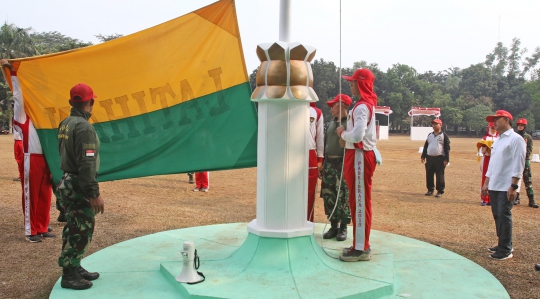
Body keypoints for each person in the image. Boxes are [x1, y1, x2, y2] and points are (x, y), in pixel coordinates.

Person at [57, 82, 105, 289]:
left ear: (71, 102)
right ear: (91, 102)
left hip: (67, 180)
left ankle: (74, 266)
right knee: (82, 229)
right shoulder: (84, 127)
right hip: (78, 183)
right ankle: (69, 274)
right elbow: (87, 162)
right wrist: (93, 193)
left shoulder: (65, 123)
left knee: (72, 226)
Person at [2, 60, 55, 243]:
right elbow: (18, 97)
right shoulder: (22, 116)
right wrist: (14, 75)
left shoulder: (44, 117)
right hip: (30, 158)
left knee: (45, 194)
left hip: (46, 159)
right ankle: (31, 230)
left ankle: (42, 225)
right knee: (31, 195)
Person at [336, 68, 379, 262]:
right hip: (358, 155)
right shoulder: (364, 105)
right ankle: (359, 244)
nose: (351, 85)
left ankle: (361, 248)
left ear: (361, 84)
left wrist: (342, 134)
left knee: (359, 201)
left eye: (353, 82)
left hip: (360, 156)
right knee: (357, 200)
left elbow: (357, 136)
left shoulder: (362, 107)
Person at [482, 110, 525, 260]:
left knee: (504, 215)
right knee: (497, 215)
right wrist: (486, 182)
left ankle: (506, 249)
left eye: (496, 119)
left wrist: (514, 186)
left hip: (507, 185)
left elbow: (519, 164)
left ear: (506, 120)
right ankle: (502, 243)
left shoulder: (516, 139)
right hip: (495, 184)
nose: (493, 123)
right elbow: (492, 164)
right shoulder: (498, 139)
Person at [320, 94, 352, 241]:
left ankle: (343, 227)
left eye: (334, 105)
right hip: (329, 164)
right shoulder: (331, 124)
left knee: (343, 196)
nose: (331, 108)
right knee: (329, 195)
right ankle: (334, 226)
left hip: (342, 164)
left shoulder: (350, 124)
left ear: (343, 105)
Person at [420, 119, 450, 198]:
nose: (434, 126)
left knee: (439, 175)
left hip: (439, 158)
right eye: (433, 124)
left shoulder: (444, 135)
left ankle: (440, 191)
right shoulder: (430, 135)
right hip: (429, 158)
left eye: (436, 124)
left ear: (440, 125)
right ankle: (430, 189)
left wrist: (446, 159)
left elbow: (447, 148)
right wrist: (423, 156)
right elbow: (426, 146)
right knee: (429, 174)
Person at [515, 118, 539, 208]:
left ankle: (531, 200)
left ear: (524, 126)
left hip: (525, 161)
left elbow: (529, 149)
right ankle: (516, 198)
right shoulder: (514, 136)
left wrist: (523, 157)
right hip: (515, 161)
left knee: (527, 180)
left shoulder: (528, 137)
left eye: (522, 125)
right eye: (519, 125)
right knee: (515, 179)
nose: (520, 127)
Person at [307, 102, 324, 222]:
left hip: (310, 154)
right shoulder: (288, 106)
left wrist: (320, 158)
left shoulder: (316, 112)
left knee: (309, 192)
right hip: (291, 154)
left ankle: (308, 222)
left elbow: (320, 136)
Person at [477, 122, 498, 206]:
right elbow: (483, 151)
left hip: (497, 159)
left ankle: (493, 199)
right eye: (491, 128)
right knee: (485, 178)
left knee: (495, 179)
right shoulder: (485, 138)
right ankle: (485, 198)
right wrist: (485, 146)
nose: (493, 129)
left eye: (494, 128)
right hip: (487, 159)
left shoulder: (499, 137)